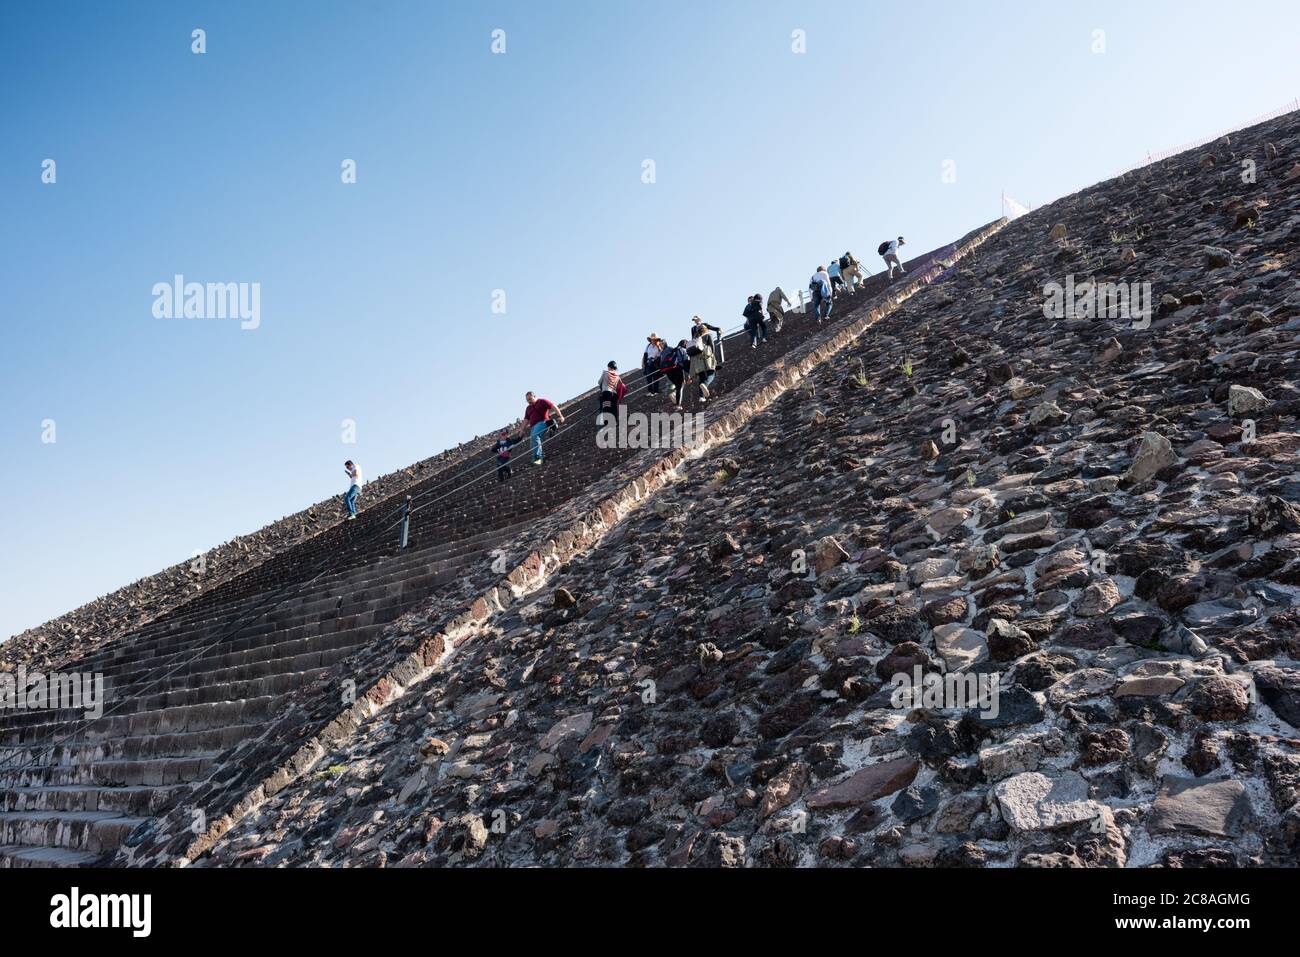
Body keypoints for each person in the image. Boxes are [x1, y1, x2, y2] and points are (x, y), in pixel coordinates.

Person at [523, 391, 565, 465]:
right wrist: (521, 429)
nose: (529, 401)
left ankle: (538, 458)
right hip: (533, 427)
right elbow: (526, 419)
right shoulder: (528, 408)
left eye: (530, 399)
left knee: (535, 436)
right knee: (533, 443)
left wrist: (560, 415)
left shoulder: (542, 401)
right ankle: (538, 459)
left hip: (542, 422)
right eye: (527, 400)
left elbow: (553, 406)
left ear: (534, 396)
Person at [689, 327, 719, 403]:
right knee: (711, 374)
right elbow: (712, 346)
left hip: (697, 360)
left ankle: (701, 397)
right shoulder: (708, 335)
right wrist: (713, 356)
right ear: (705, 329)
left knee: (702, 377)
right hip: (706, 357)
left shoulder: (696, 338)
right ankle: (705, 384)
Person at [658, 339, 690, 408]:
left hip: (667, 372)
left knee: (677, 385)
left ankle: (675, 395)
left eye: (660, 344)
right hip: (676, 369)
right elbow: (681, 360)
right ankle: (678, 404)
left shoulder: (662, 353)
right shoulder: (672, 349)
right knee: (680, 386)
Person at [596, 360, 626, 427]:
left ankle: (607, 424)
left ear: (609, 367)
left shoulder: (605, 373)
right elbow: (621, 385)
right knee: (613, 408)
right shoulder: (617, 376)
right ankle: (614, 422)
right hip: (614, 394)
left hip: (606, 392)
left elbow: (599, 382)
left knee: (606, 407)